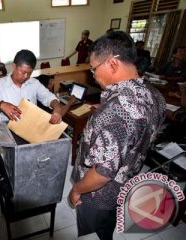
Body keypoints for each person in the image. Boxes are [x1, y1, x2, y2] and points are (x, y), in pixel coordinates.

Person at [68, 31, 166, 239]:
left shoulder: (115, 112)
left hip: (96, 195)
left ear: (112, 64)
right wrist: (105, 112)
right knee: (107, 226)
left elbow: (102, 173)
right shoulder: (155, 95)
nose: (92, 75)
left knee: (94, 233)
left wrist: (77, 189)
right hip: (124, 184)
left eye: (93, 68)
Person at [0, 49, 63, 124]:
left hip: (30, 127)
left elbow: (49, 97)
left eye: (29, 73)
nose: (26, 76)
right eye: (23, 72)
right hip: (8, 130)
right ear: (14, 66)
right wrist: (2, 105)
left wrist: (57, 109)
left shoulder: (34, 83)